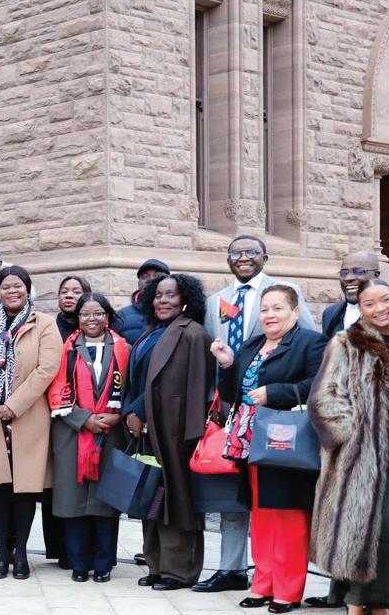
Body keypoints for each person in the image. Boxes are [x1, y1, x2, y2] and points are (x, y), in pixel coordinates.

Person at [202, 235, 315, 594]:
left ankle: (286, 586)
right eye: (236, 252)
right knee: (251, 506)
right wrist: (224, 372)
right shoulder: (220, 305)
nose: (244, 257)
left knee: (284, 511)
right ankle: (249, 577)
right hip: (244, 429)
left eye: (252, 251)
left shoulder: (298, 319)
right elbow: (227, 376)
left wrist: (278, 392)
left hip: (284, 431)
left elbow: (315, 370)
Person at [311, 280, 389, 615]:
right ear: (361, 308)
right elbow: (324, 396)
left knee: (387, 523)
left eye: (385, 299)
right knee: (368, 522)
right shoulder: (346, 342)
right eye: (370, 304)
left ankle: (380, 603)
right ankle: (357, 600)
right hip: (360, 450)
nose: (380, 308)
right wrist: (350, 437)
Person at [0, 265, 62, 580]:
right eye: (6, 287)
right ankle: (1, 553)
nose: (12, 291)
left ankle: (20, 553)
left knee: (24, 489)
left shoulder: (44, 323)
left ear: (27, 289)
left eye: (18, 286)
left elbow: (47, 369)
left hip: (27, 417)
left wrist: (13, 406)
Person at [123, 271, 213, 590]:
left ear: (185, 299)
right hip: (148, 429)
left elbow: (198, 387)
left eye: (171, 295)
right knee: (151, 498)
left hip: (176, 432)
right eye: (158, 295)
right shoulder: (151, 331)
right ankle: (157, 565)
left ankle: (179, 571)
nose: (163, 300)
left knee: (177, 502)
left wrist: (190, 434)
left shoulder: (193, 333)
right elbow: (140, 380)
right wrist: (131, 412)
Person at [47, 291, 130, 583]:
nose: (91, 319)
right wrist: (84, 419)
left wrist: (118, 416)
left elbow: (131, 387)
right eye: (85, 314)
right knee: (74, 501)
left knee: (105, 501)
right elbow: (55, 389)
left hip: (111, 432)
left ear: (107, 317)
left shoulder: (124, 348)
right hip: (72, 431)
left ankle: (104, 563)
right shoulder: (66, 350)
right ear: (78, 318)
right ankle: (79, 563)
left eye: (97, 313)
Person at [319, 249, 389, 340]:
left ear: (376, 275)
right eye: (343, 273)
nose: (348, 278)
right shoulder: (330, 313)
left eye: (358, 271)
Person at [114, 259, 171, 346]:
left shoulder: (178, 314)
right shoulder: (121, 317)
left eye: (157, 276)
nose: (151, 280)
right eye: (145, 276)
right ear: (139, 283)